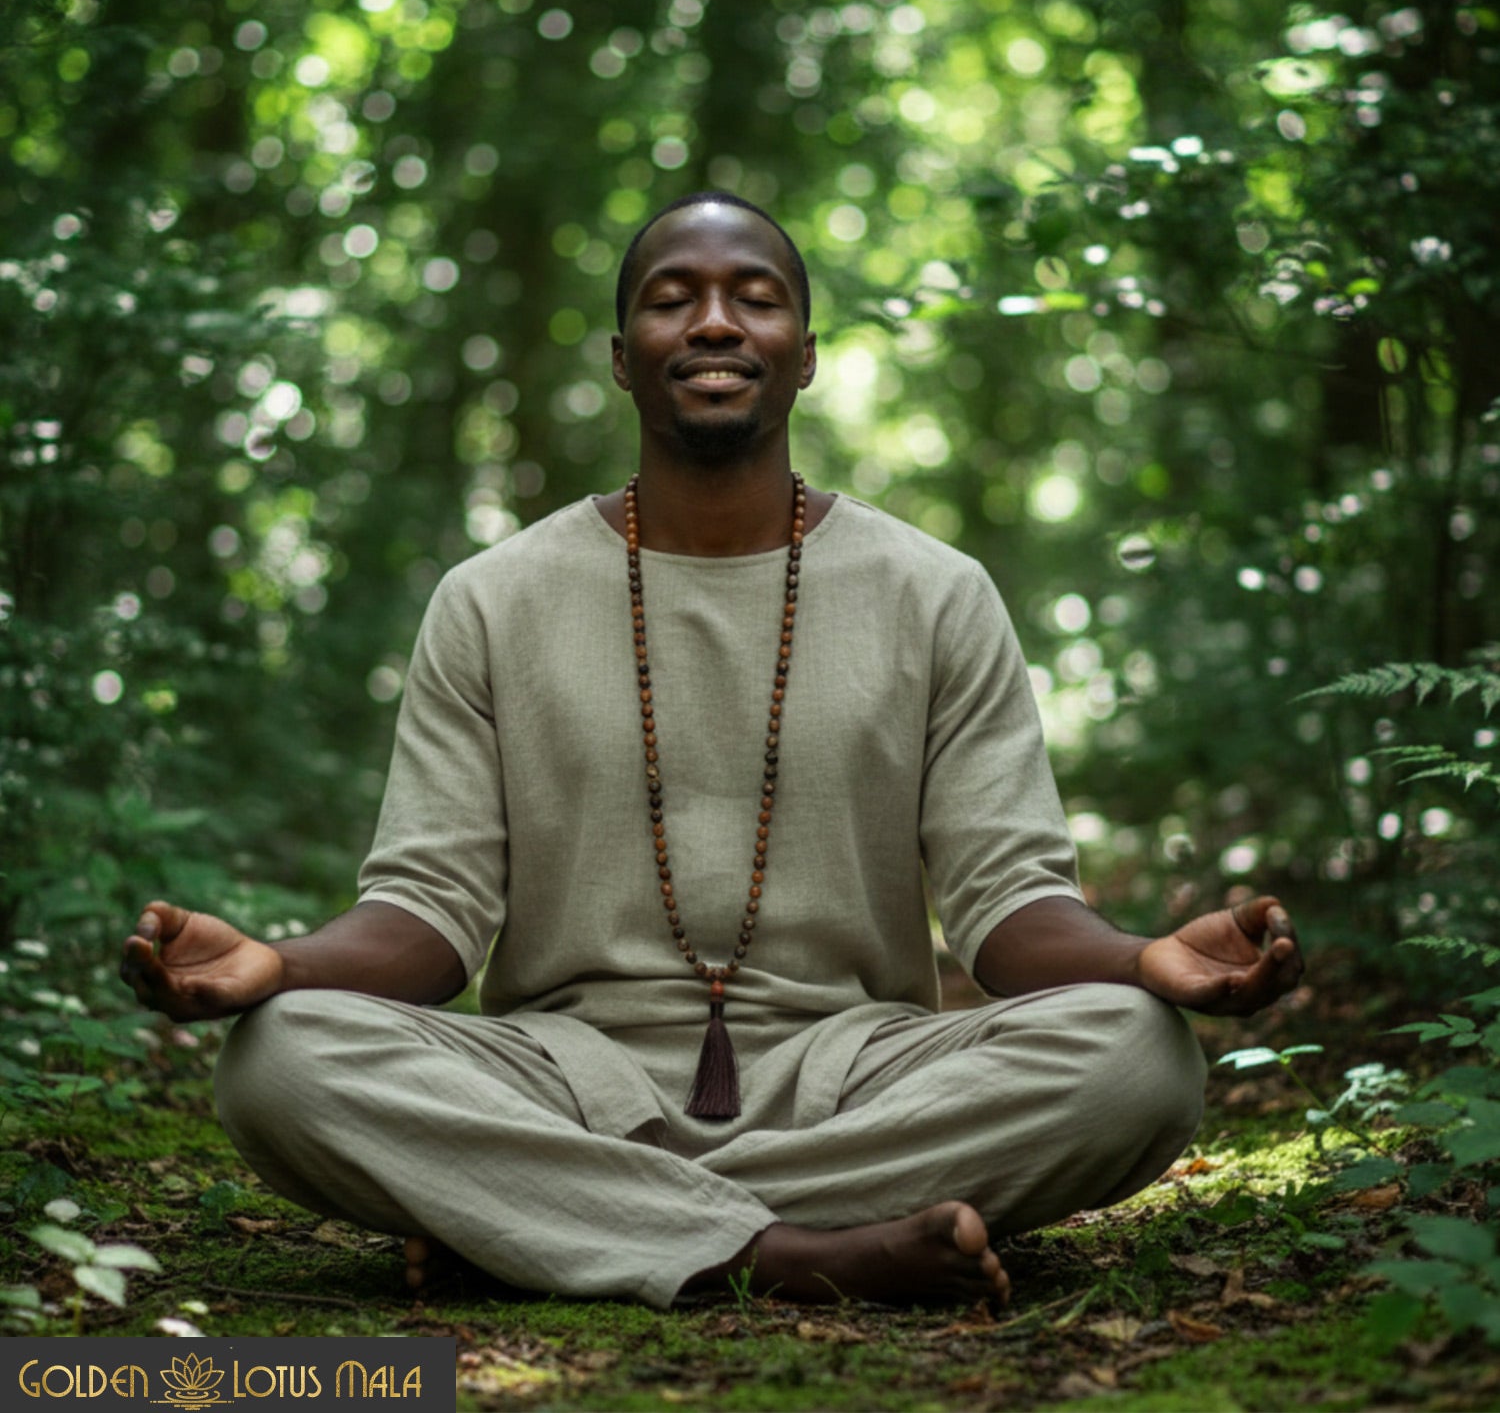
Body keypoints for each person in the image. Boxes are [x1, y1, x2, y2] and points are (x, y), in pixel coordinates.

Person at [122, 191, 1302, 1310]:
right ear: (622, 356)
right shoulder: (493, 598)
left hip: (860, 1078)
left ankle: (543, 1227)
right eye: (672, 298)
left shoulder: (935, 593)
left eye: (756, 297)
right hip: (560, 1079)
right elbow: (429, 914)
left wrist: (1145, 960)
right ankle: (797, 1254)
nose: (717, 322)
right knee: (279, 1059)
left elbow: (1008, 910)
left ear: (806, 353)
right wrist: (277, 967)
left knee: (1137, 1057)